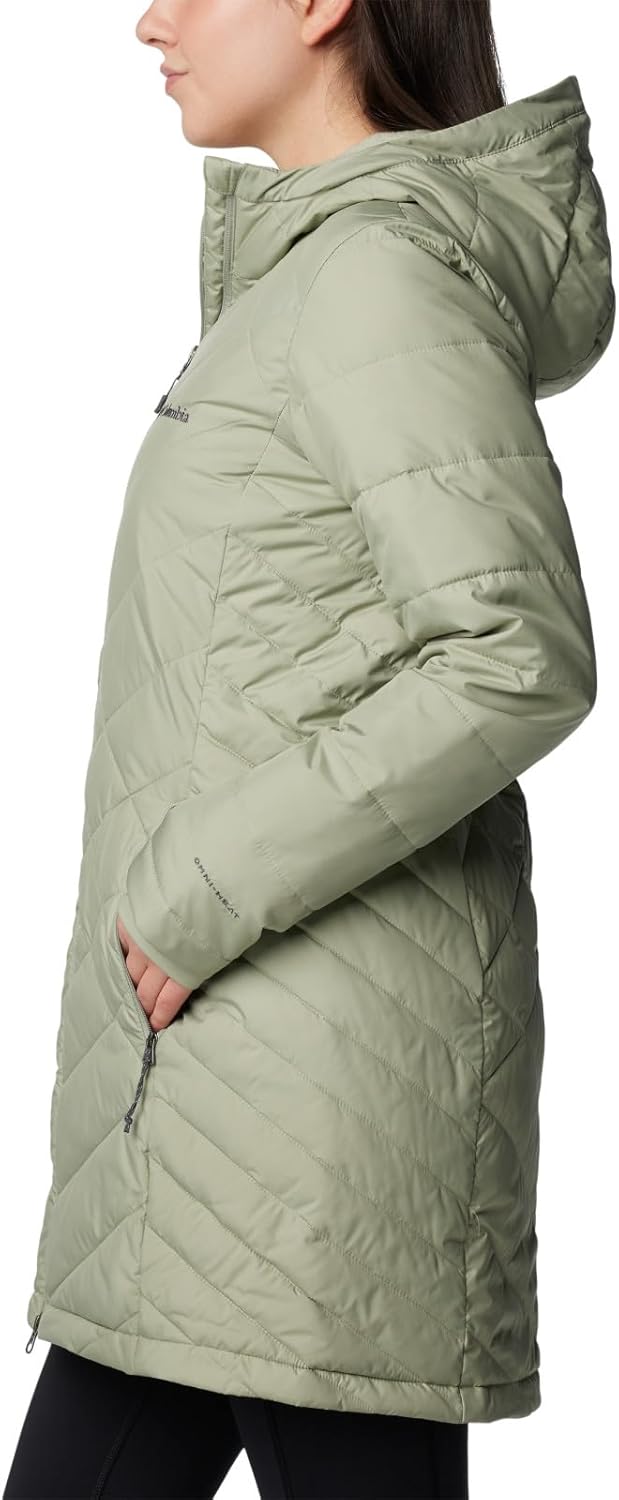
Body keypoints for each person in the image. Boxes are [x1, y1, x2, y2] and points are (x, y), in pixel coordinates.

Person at [4, 0, 615, 1496]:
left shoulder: (377, 279)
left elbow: (516, 651)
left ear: (321, 5)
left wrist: (196, 888)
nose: (150, 21)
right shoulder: (316, 277)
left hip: (314, 1131)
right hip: (217, 1107)